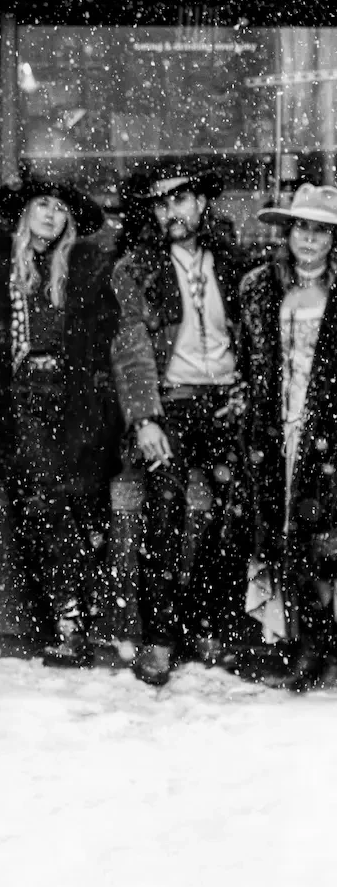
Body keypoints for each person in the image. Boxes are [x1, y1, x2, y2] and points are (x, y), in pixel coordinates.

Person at [0, 175, 122, 666]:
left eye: (60, 209)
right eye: (42, 204)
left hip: (74, 403)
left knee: (81, 504)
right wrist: (7, 357)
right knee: (41, 499)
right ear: (25, 212)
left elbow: (103, 338)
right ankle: (69, 618)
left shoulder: (86, 270)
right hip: (17, 400)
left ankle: (76, 616)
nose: (50, 215)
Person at [111, 161, 251, 687]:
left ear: (201, 204)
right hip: (172, 404)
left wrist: (246, 395)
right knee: (164, 514)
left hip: (227, 405)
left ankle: (214, 624)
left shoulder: (236, 265)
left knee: (233, 517)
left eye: (180, 200)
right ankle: (160, 637)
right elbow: (130, 346)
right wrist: (145, 419)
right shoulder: (137, 268)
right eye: (162, 202)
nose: (172, 211)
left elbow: (256, 339)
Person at [239, 184, 337, 690]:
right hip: (275, 426)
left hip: (326, 430)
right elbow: (248, 363)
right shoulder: (260, 287)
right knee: (281, 537)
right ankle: (293, 640)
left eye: (321, 230)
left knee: (320, 539)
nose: (309, 239)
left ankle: (320, 642)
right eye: (302, 227)